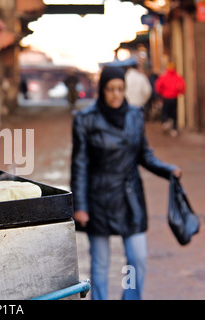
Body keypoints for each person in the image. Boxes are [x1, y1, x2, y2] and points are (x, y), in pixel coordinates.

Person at [70, 66, 182, 300]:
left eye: (120, 89)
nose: (116, 94)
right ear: (102, 90)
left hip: (130, 198)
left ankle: (130, 297)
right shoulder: (85, 120)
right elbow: (80, 165)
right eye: (111, 89)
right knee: (100, 263)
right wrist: (80, 206)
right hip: (98, 198)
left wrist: (168, 170)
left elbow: (144, 155)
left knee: (136, 258)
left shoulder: (134, 116)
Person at [154, 62, 185, 137]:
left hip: (166, 97)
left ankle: (165, 122)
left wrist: (161, 93)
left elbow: (158, 86)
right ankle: (174, 129)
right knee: (174, 114)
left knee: (165, 111)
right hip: (174, 97)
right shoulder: (177, 76)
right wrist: (179, 92)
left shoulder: (164, 76)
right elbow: (182, 85)